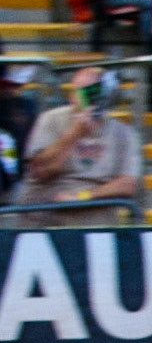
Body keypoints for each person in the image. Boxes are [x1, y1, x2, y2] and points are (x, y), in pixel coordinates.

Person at [9, 67, 140, 226]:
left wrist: (81, 197)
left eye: (96, 92)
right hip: (47, 221)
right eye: (83, 91)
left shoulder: (124, 133)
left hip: (97, 226)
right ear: (72, 96)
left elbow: (127, 185)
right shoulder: (51, 120)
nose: (91, 99)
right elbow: (42, 171)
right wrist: (75, 133)